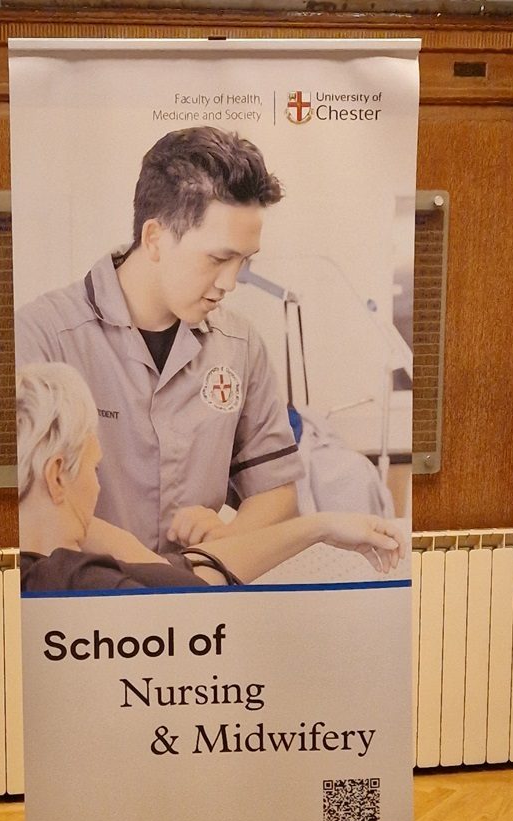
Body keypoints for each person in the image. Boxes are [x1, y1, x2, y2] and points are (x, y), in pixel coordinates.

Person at [15, 126, 304, 556]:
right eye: (219, 258)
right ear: (154, 238)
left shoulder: (241, 346)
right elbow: (31, 505)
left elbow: (277, 493)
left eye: (243, 262)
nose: (230, 282)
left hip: (201, 594)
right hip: (83, 597)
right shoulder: (41, 337)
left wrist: (228, 538)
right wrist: (157, 572)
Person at [17, 363, 405, 594]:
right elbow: (194, 585)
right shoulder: (83, 583)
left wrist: (320, 527)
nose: (98, 486)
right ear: (56, 477)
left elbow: (183, 571)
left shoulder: (28, 572)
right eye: (94, 468)